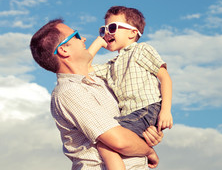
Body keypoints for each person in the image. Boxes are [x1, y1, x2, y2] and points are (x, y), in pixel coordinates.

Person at [30, 19, 163, 170]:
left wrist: (147, 132)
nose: (84, 39)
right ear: (64, 50)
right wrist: (148, 151)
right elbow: (119, 141)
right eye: (76, 35)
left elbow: (129, 126)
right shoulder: (69, 92)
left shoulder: (100, 81)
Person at [88, 6, 173, 170]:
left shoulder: (141, 50)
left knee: (107, 139)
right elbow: (81, 68)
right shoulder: (111, 66)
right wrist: (98, 43)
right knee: (108, 141)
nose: (107, 33)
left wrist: (166, 110)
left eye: (112, 27)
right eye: (103, 29)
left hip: (147, 108)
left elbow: (165, 77)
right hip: (132, 114)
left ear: (132, 33)